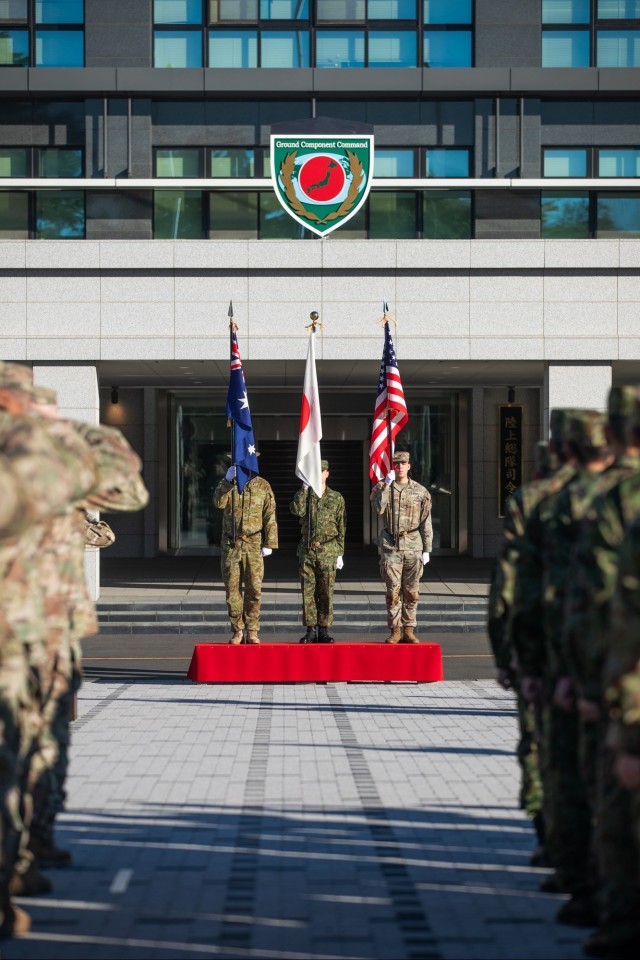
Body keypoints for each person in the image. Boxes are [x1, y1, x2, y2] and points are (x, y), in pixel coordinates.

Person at [370, 450, 432, 644]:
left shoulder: (420, 491)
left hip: (413, 544)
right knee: (393, 590)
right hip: (391, 546)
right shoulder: (382, 487)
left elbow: (426, 521)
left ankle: (409, 629)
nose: (399, 467)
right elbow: (378, 509)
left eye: (403, 463)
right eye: (396, 464)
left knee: (412, 590)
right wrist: (387, 485)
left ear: (409, 466)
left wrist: (427, 549)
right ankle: (395, 629)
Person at [213, 462, 278, 644]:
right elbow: (218, 503)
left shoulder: (263, 485)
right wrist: (227, 480)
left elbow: (270, 515)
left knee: (254, 589)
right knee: (232, 590)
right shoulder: (228, 484)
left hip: (253, 543)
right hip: (231, 543)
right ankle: (237, 630)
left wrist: (270, 543)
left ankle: (252, 630)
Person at [290, 459, 346, 644]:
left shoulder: (336, 497)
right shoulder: (305, 496)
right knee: (308, 592)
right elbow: (296, 511)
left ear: (327, 473)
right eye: (315, 471)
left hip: (328, 549)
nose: (319, 474)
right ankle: (311, 629)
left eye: (322, 471)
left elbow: (342, 526)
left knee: (326, 592)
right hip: (307, 550)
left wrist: (340, 553)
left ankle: (324, 629)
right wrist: (303, 489)